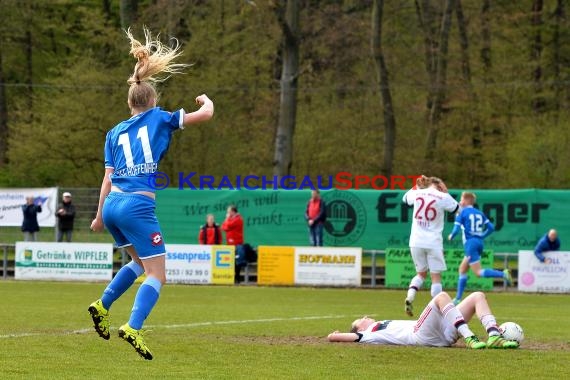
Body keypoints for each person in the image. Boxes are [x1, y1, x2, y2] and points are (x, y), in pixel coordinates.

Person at [88, 27, 214, 360]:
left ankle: (102, 305)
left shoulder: (113, 132)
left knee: (137, 262)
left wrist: (100, 215)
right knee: (158, 273)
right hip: (137, 207)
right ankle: (133, 327)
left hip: (113, 204)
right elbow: (206, 115)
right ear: (152, 100)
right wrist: (206, 100)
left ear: (130, 101)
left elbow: (106, 178)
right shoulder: (160, 118)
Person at [327, 291, 519, 349]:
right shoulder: (366, 334)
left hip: (441, 335)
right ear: (358, 327)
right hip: (421, 336)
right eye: (361, 319)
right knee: (441, 296)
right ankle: (470, 337)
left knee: (478, 295)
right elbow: (335, 338)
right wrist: (334, 335)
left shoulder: (379, 324)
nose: (365, 317)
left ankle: (494, 336)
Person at [402, 175, 459, 317]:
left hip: (415, 241)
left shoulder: (417, 192)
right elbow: (457, 209)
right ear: (440, 186)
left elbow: (405, 199)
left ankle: (410, 296)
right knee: (436, 277)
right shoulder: (442, 196)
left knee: (421, 274)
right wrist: (446, 192)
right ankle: (439, 310)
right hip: (433, 242)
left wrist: (416, 186)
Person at [448, 192, 511, 304]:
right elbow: (491, 227)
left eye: (462, 199)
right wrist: (482, 235)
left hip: (471, 244)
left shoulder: (461, 212)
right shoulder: (479, 213)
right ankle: (457, 298)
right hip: (479, 243)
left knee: (477, 272)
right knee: (462, 269)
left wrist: (451, 236)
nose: (460, 202)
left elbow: (456, 229)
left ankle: (503, 274)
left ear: (466, 201)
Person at [222, 205, 245, 282]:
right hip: (230, 243)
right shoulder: (231, 219)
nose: (227, 213)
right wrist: (227, 223)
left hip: (237, 243)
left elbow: (228, 225)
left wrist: (227, 219)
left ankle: (237, 278)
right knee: (231, 261)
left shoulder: (238, 219)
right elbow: (223, 227)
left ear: (233, 211)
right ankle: (233, 278)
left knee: (237, 261)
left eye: (228, 211)